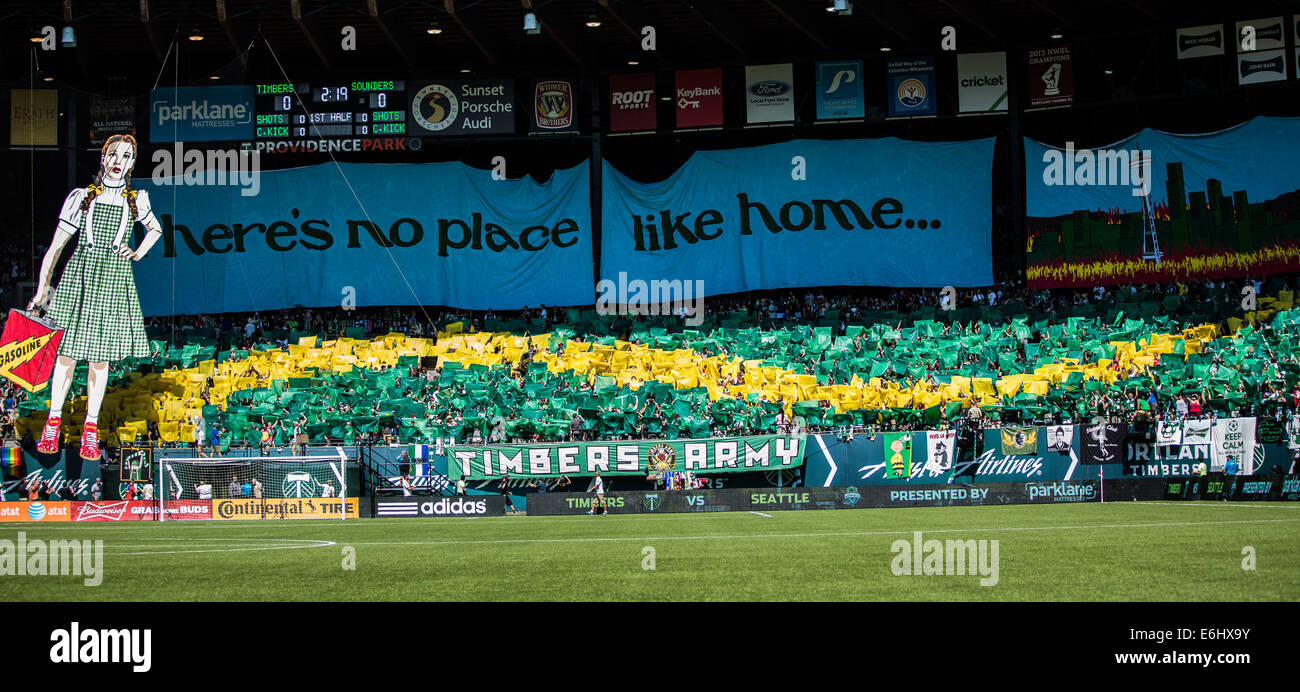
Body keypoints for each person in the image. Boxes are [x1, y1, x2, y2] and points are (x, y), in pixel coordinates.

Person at [29, 135, 165, 461]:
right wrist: (41, 291)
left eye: (127, 156)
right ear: (104, 158)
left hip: (112, 279)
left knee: (99, 358)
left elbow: (156, 230)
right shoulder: (81, 198)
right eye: (114, 154)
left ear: (133, 163)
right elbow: (55, 249)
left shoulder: (136, 200)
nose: (120, 160)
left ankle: (91, 427)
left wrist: (136, 253)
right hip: (80, 274)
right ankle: (54, 419)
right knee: (66, 355)